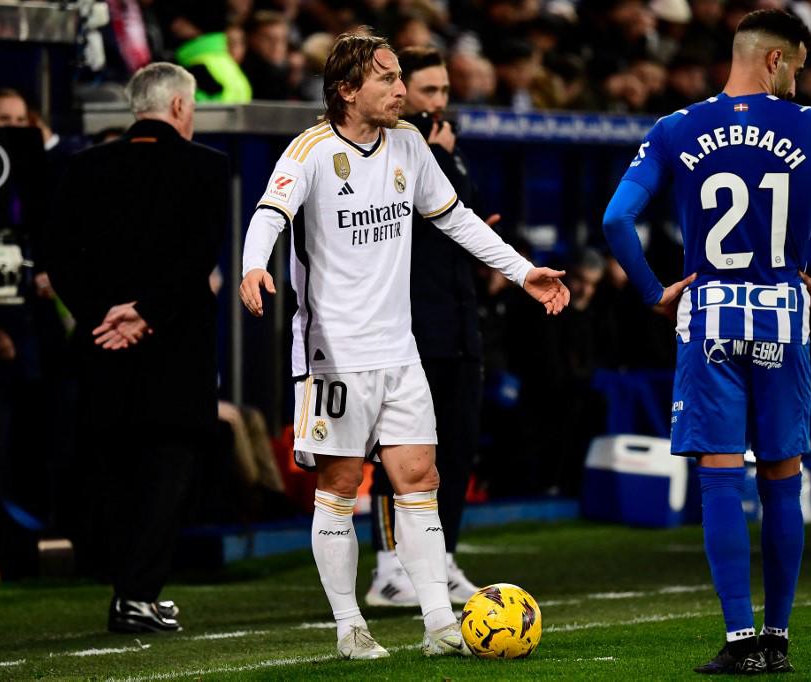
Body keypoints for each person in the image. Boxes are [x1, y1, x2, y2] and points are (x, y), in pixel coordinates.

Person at [239, 32, 569, 660]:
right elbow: (268, 216)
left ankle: (440, 623)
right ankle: (348, 626)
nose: (400, 90)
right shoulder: (310, 150)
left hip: (400, 350)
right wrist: (254, 264)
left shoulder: (411, 145)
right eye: (387, 79)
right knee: (339, 486)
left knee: (421, 478)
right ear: (346, 89)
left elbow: (457, 219)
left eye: (398, 77)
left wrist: (524, 272)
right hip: (331, 356)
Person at [602, 9, 811, 674]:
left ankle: (738, 641)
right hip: (782, 318)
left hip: (708, 319)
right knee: (781, 477)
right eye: (798, 62)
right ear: (775, 59)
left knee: (717, 478)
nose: (802, 74)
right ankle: (778, 640)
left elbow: (616, 218)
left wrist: (656, 291)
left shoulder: (676, 128)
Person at [47, 62, 229, 633]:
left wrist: (102, 319)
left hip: (103, 349)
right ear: (178, 106)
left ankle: (129, 591)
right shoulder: (207, 167)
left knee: (116, 473)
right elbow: (198, 259)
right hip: (176, 350)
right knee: (168, 473)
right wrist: (146, 314)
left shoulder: (84, 168)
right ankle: (137, 596)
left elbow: (58, 260)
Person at [364, 46, 485, 608]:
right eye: (429, 91)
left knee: (456, 449)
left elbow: (476, 219)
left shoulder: (445, 149)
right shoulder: (390, 150)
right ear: (399, 89)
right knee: (397, 452)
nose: (440, 102)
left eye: (444, 91)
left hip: (459, 322)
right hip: (406, 325)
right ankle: (390, 566)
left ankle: (443, 558)